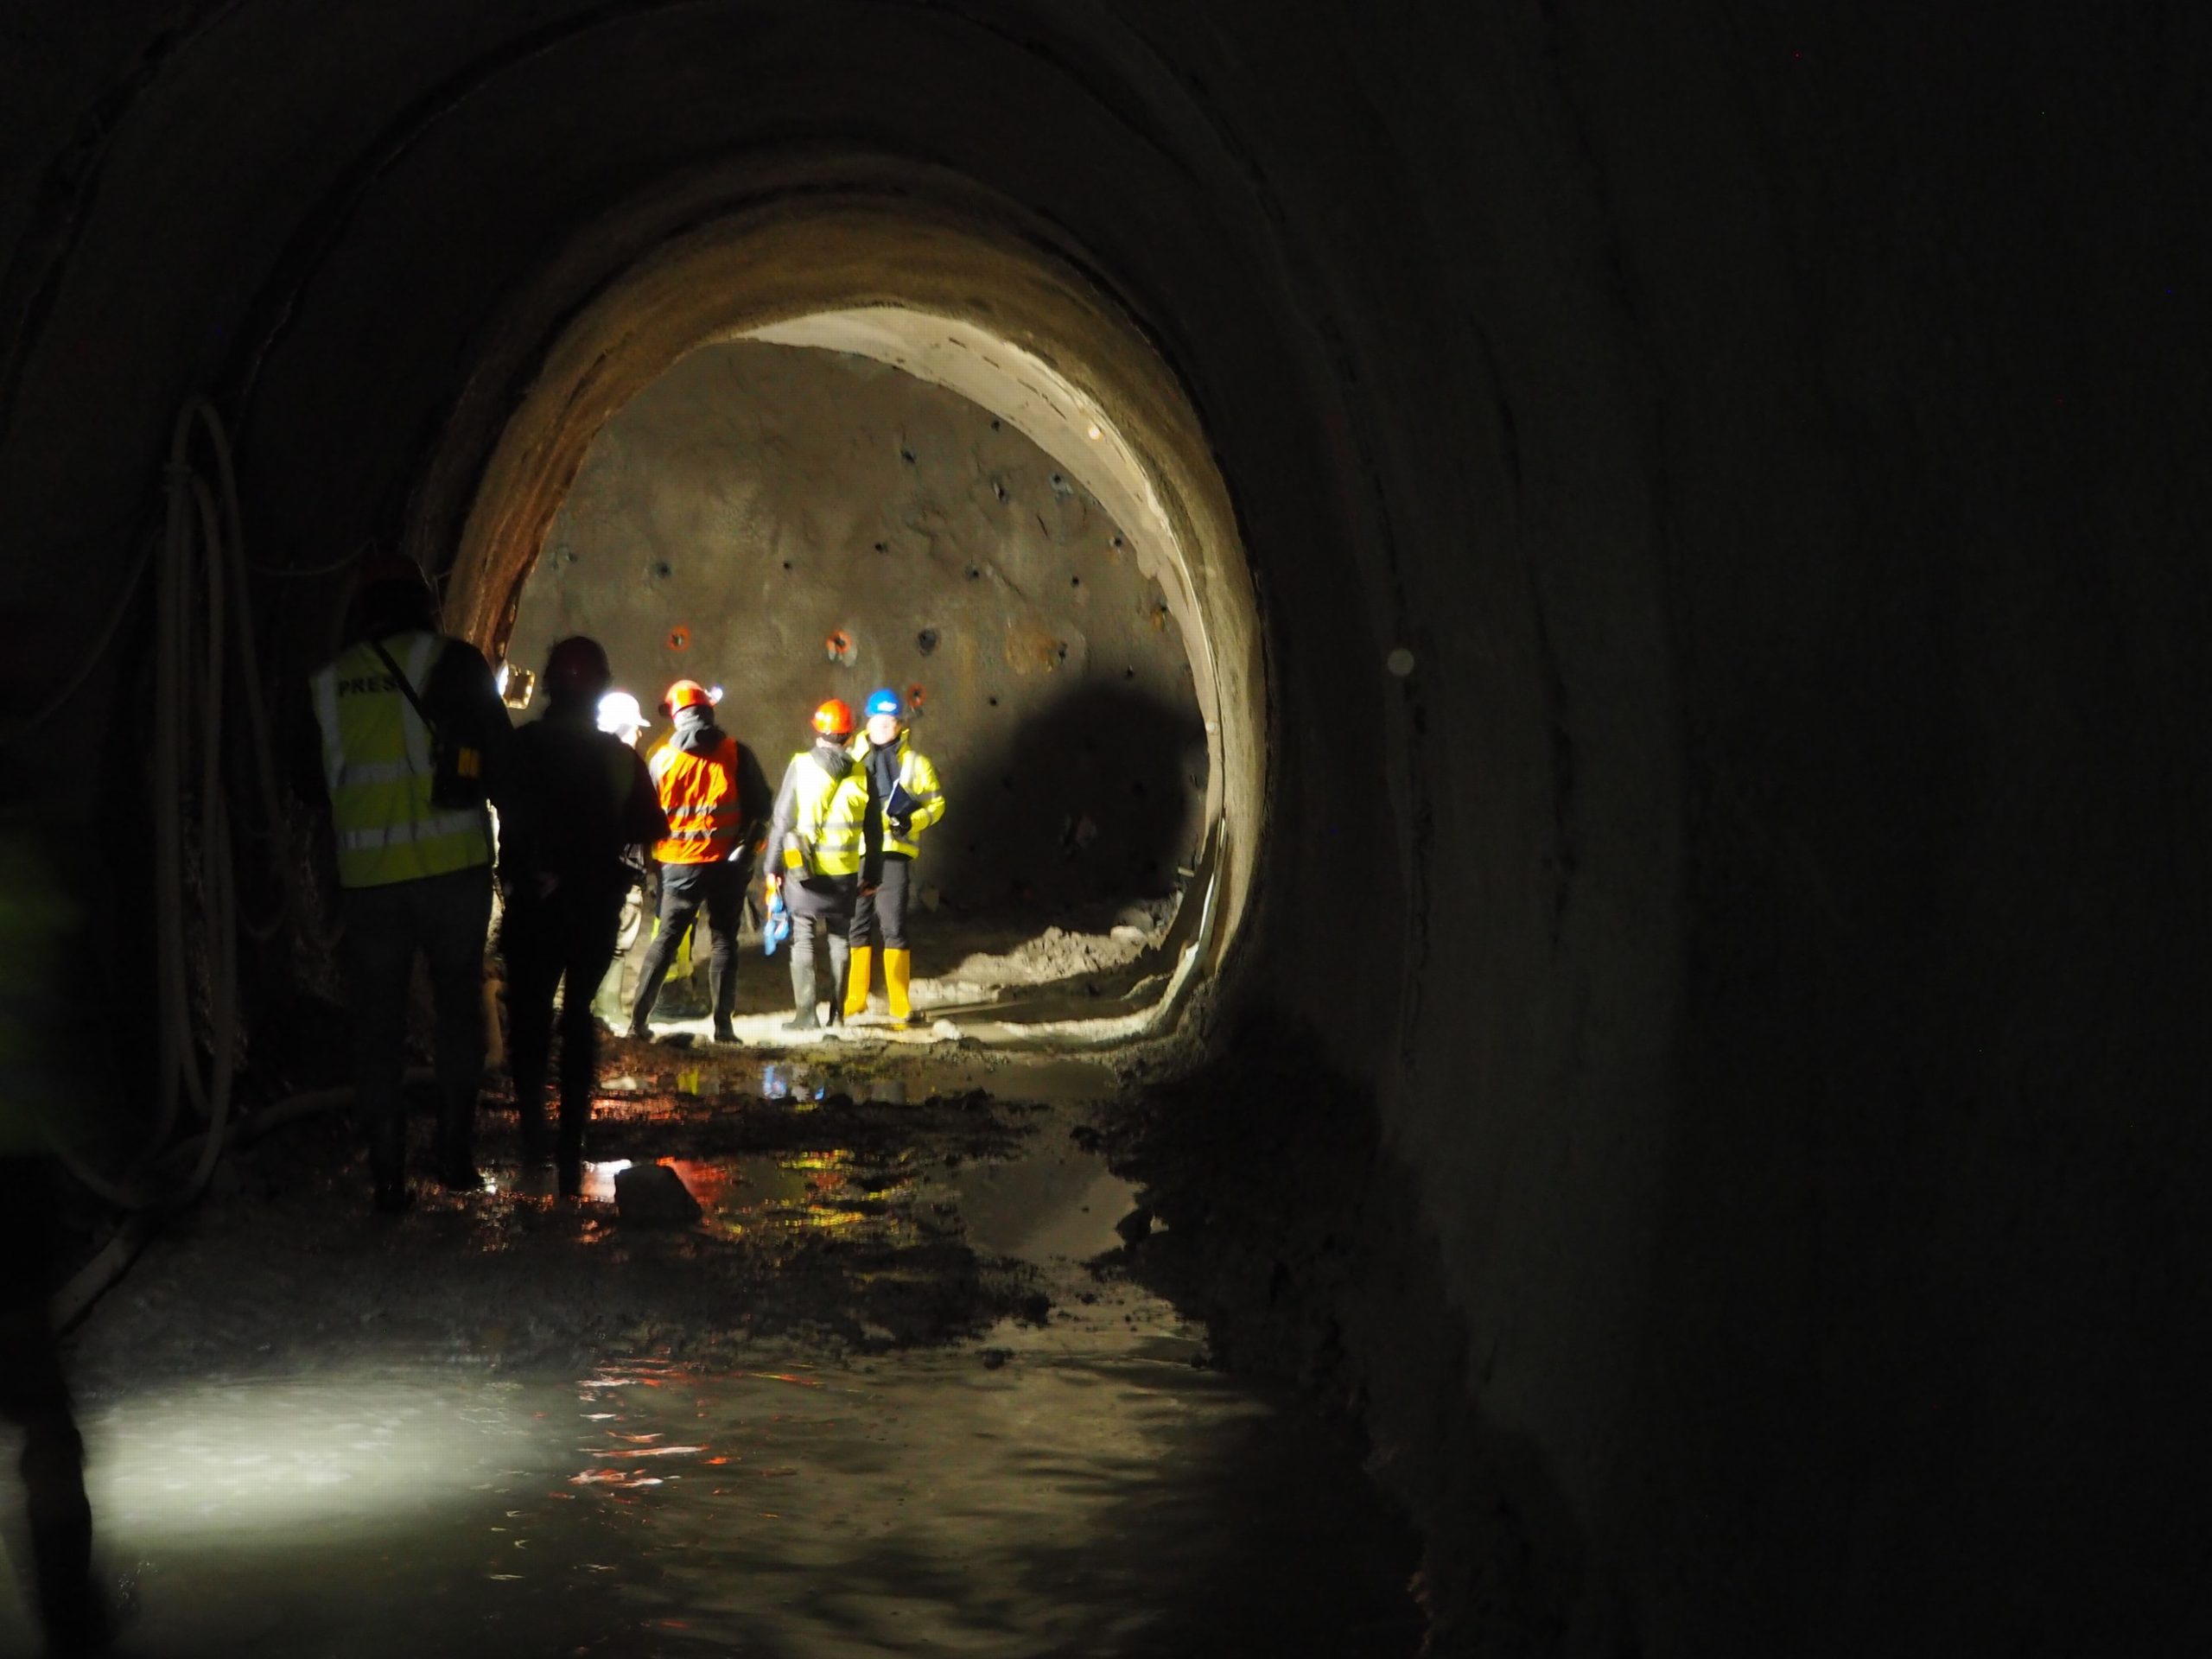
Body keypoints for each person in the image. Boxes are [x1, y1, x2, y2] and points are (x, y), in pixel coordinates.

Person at [299, 556, 510, 1211]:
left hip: (371, 885)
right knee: (456, 1011)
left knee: (379, 1025)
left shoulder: (329, 684)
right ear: (424, 604)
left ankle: (387, 1173)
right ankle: (455, 1156)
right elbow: (499, 760)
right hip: (452, 877)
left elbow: (307, 784)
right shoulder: (456, 663)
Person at [493, 639, 666, 1195]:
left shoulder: (521, 747)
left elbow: (496, 798)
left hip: (533, 907)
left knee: (529, 1019)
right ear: (598, 691)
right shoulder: (619, 759)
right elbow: (649, 828)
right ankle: (571, 1143)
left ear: (548, 686)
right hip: (590, 906)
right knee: (577, 1019)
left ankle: (533, 1137)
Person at [0, 783, 109, 1656]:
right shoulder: (31, 875)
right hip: (14, 1176)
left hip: (18, 1172)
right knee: (43, 1420)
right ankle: (74, 1624)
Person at [628, 679, 772, 1044]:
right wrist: (746, 850)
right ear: (708, 711)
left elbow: (646, 814)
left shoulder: (661, 758)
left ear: (677, 716)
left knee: (665, 940)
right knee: (725, 941)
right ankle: (724, 1028)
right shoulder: (737, 753)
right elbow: (762, 808)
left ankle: (637, 1023)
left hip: (678, 865)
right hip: (726, 863)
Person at [842, 689, 948, 1028]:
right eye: (877, 721)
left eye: (889, 722)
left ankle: (899, 1002)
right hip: (857, 853)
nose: (882, 727)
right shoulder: (851, 757)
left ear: (899, 724)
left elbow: (936, 805)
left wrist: (911, 820)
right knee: (856, 925)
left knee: (894, 928)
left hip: (894, 854)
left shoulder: (916, 764)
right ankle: (854, 1000)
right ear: (868, 721)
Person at [764, 699, 868, 1032]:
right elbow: (875, 832)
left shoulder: (802, 765)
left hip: (804, 872)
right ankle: (838, 1016)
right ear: (849, 736)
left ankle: (806, 1016)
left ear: (818, 730)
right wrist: (875, 873)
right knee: (840, 939)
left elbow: (782, 819)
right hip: (845, 872)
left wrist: (772, 866)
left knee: (804, 937)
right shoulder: (861, 771)